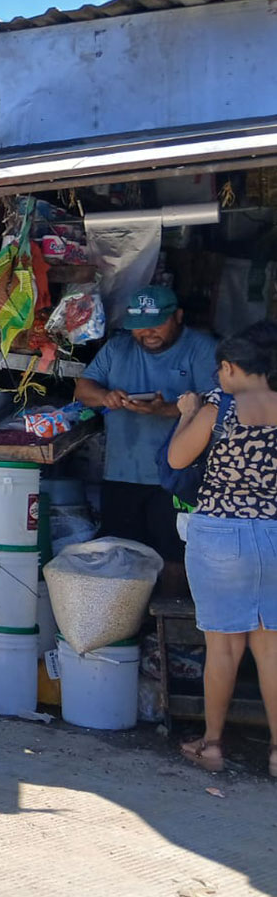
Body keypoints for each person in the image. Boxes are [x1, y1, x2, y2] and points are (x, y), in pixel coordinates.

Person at [167, 321, 277, 777]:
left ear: (230, 368)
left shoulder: (219, 406)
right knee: (271, 649)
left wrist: (186, 414)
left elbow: (177, 459)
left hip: (220, 534)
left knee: (224, 648)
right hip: (273, 532)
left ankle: (212, 745)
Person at [76, 285, 218, 563]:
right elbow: (82, 389)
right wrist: (106, 396)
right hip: (121, 473)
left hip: (179, 480)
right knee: (120, 558)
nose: (147, 332)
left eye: (156, 324)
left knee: (174, 558)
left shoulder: (203, 349)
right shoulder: (118, 347)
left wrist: (164, 409)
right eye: (139, 326)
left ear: (178, 316)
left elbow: (215, 408)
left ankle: (168, 607)